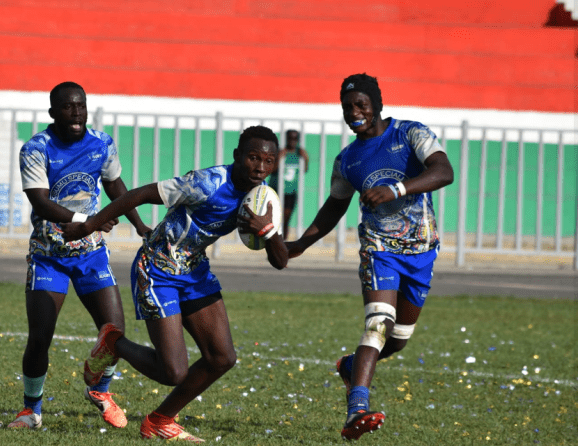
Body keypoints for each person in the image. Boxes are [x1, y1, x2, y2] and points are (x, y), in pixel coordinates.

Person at [63, 125, 289, 442]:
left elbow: (280, 260)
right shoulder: (206, 183)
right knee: (173, 372)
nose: (260, 168)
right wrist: (91, 224)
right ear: (238, 156)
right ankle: (113, 343)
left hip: (195, 272)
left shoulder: (261, 197)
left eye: (268, 161)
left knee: (222, 358)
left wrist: (269, 231)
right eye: (253, 158)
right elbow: (139, 194)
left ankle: (159, 420)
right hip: (156, 269)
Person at [285, 73, 454, 440]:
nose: (355, 113)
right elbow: (334, 206)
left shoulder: (410, 133)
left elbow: (443, 172)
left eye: (361, 104)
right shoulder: (347, 159)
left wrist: (395, 188)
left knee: (399, 338)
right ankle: (356, 409)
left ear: (377, 103)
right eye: (348, 107)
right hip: (379, 250)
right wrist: (300, 244)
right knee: (377, 325)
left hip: (421, 251)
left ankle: (350, 366)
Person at [7, 81, 151, 430]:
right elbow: (40, 201)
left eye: (81, 106)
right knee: (40, 336)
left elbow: (116, 186)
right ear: (53, 112)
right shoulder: (36, 148)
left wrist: (140, 225)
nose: (76, 112)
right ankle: (31, 410)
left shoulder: (101, 144)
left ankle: (100, 391)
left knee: (114, 331)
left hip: (91, 254)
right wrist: (88, 221)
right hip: (48, 254)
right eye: (68, 107)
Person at [268, 129, 309, 237]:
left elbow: (304, 170)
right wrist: (278, 159)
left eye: (295, 138)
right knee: (274, 219)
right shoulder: (280, 152)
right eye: (290, 138)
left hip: (291, 192)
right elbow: (271, 170)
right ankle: (272, 242)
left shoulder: (299, 154)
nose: (292, 141)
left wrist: (306, 159)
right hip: (277, 189)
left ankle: (283, 243)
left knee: (286, 219)